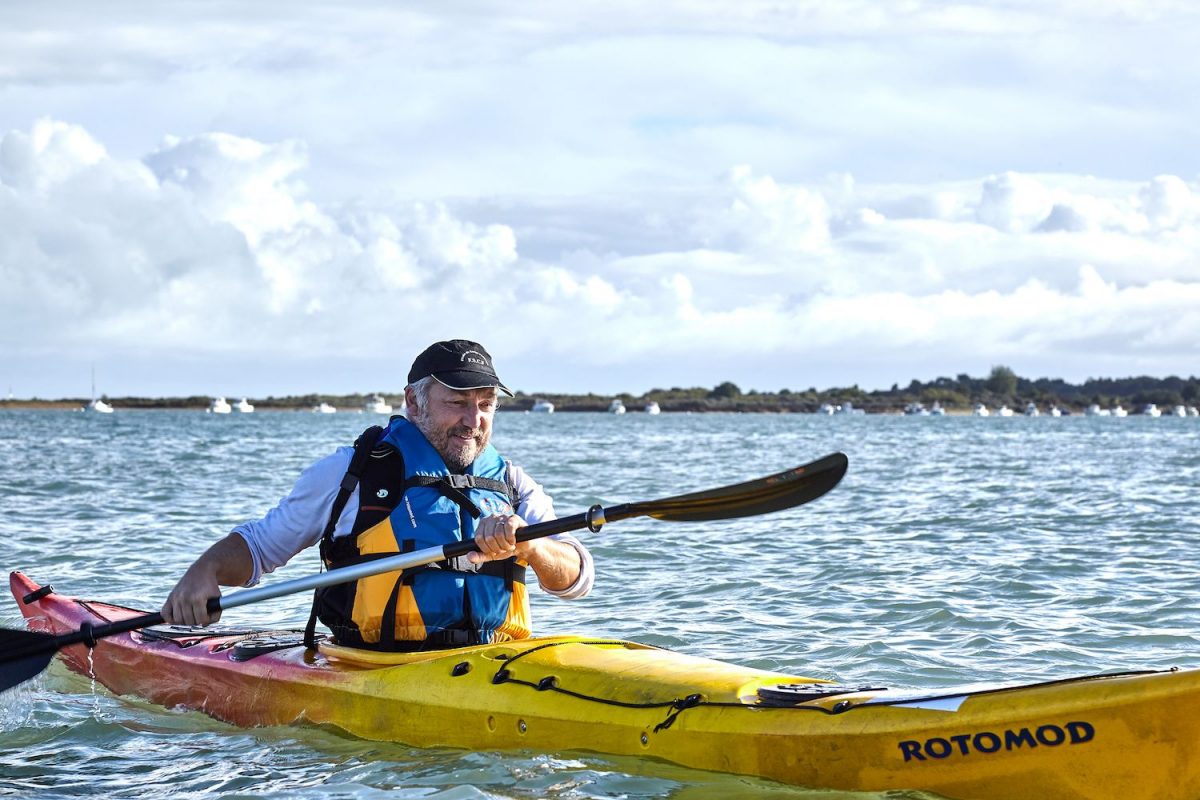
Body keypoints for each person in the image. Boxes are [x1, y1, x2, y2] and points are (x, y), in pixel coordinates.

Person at [162, 339, 593, 650]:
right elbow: (260, 547)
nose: (473, 419)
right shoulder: (352, 471)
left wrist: (532, 547)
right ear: (414, 401)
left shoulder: (512, 482)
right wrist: (207, 569)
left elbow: (576, 580)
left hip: (497, 659)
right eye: (457, 402)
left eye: (485, 404)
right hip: (380, 665)